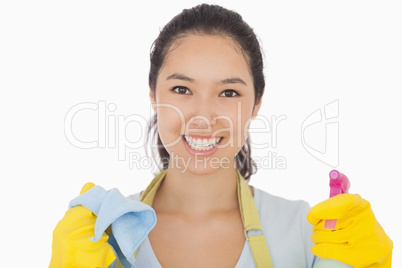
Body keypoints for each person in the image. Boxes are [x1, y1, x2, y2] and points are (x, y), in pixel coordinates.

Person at [49, 4, 393, 268]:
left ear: (256, 103)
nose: (203, 116)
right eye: (182, 89)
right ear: (153, 95)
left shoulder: (309, 233)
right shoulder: (102, 236)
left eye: (228, 93)